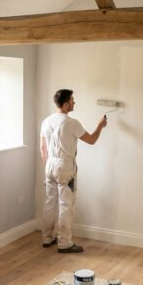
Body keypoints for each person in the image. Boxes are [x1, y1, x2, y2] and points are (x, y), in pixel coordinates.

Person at [40, 89, 107, 253]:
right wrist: (100, 126)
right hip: (64, 166)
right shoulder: (71, 123)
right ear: (65, 104)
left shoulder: (46, 121)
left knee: (49, 203)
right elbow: (91, 140)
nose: (74, 102)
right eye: (72, 100)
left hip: (49, 165)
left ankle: (47, 238)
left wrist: (49, 166)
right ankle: (64, 243)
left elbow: (43, 148)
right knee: (66, 205)